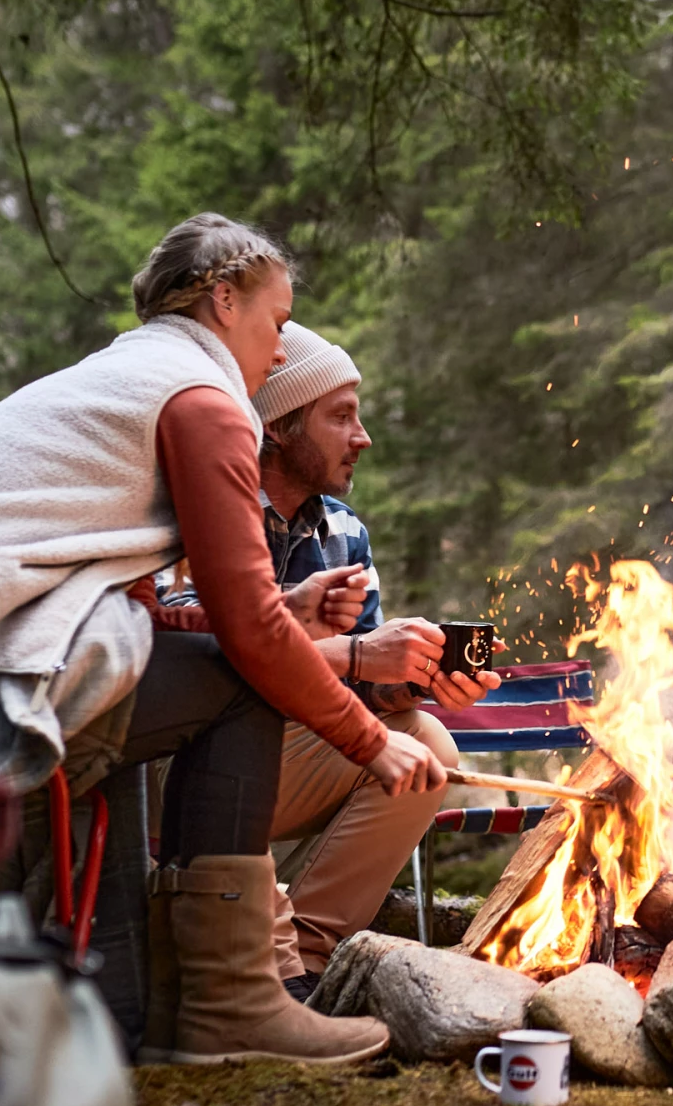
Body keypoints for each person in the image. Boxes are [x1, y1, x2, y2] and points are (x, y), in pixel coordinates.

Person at [0, 213, 448, 1067]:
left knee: (148, 697)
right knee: (234, 682)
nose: (283, 342)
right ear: (224, 301)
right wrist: (370, 740)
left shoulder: (122, 380)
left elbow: (161, 616)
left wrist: (279, 615)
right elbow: (247, 636)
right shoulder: (204, 401)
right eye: (279, 320)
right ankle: (234, 1003)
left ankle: (121, 1012)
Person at [163, 321, 501, 1001]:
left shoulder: (344, 532)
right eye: (341, 416)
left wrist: (405, 682)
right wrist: (353, 652)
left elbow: (350, 689)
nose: (363, 436)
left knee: (425, 744)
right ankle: (268, 967)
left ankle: (313, 963)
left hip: (286, 756)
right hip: (183, 767)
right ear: (280, 427)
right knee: (240, 729)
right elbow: (197, 661)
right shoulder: (207, 509)